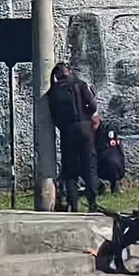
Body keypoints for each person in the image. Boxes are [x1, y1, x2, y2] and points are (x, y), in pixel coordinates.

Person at [47, 62, 99, 212]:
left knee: (70, 169)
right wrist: (86, 118)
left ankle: (73, 204)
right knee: (89, 166)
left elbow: (53, 116)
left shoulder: (53, 91)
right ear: (68, 71)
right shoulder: (80, 85)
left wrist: (63, 126)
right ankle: (92, 203)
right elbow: (93, 105)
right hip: (84, 129)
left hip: (67, 131)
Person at [92, 113, 126, 194]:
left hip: (106, 154)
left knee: (112, 160)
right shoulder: (86, 129)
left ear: (98, 117)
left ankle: (115, 184)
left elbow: (112, 144)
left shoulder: (107, 128)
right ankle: (97, 185)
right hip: (92, 154)